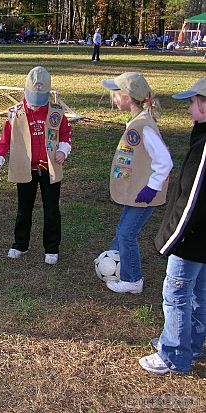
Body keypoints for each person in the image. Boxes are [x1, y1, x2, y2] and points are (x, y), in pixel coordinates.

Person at [139, 77, 206, 374]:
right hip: (200, 238)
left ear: (205, 105)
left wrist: (170, 238)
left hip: (192, 238)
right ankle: (189, 344)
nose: (189, 107)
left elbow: (192, 199)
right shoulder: (201, 136)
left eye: (192, 102)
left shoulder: (205, 145)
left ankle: (175, 354)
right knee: (198, 292)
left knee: (177, 292)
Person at [0, 66, 73, 265]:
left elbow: (65, 134)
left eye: (40, 102)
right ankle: (20, 244)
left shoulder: (56, 112)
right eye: (33, 102)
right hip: (25, 168)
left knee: (52, 209)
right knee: (23, 208)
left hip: (49, 169)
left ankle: (52, 248)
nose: (36, 107)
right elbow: (5, 140)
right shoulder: (15, 114)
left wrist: (63, 150)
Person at [100, 73, 172, 294]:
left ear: (127, 97)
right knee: (123, 230)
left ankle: (133, 280)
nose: (113, 99)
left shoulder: (143, 127)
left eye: (115, 95)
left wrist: (152, 187)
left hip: (144, 195)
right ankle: (112, 260)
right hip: (137, 193)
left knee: (126, 234)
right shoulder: (137, 122)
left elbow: (165, 161)